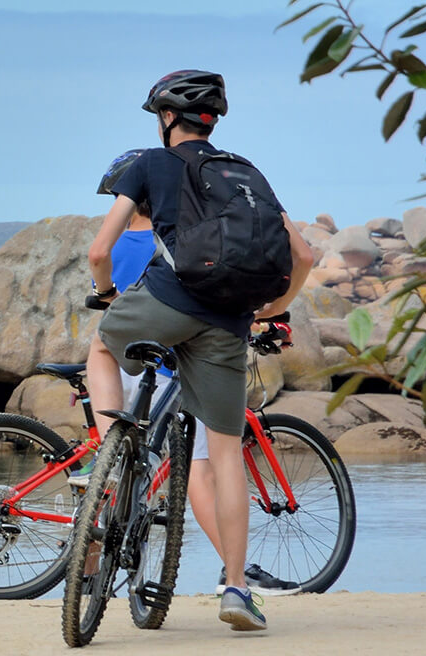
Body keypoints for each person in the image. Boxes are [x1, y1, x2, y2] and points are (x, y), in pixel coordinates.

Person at [88, 70, 314, 632]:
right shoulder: (245, 172)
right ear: (212, 120)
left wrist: (107, 295)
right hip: (227, 322)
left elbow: (99, 251)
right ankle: (236, 589)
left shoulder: (147, 163)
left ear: (167, 117)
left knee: (99, 349)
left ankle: (112, 450)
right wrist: (270, 310)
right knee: (228, 454)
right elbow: (303, 256)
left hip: (165, 302)